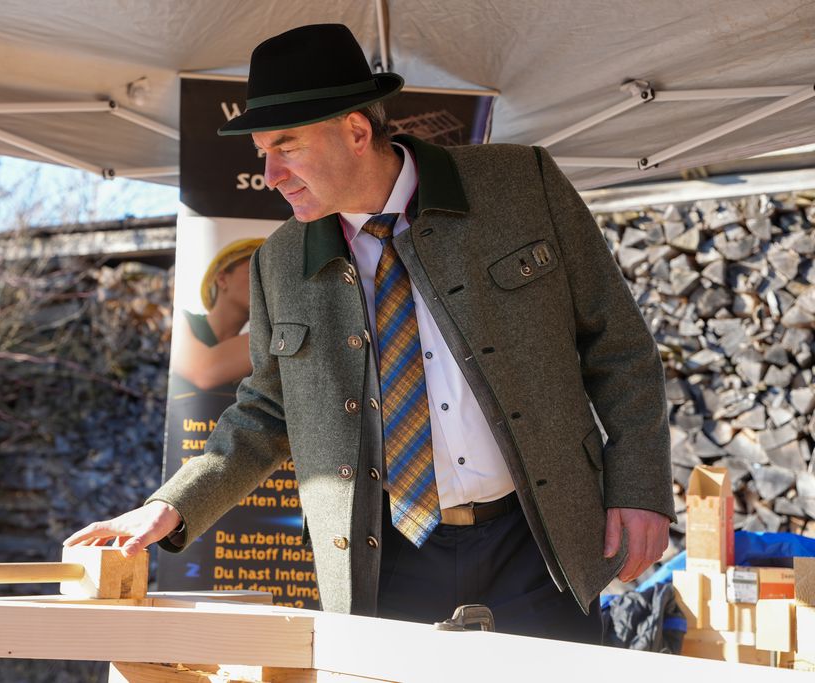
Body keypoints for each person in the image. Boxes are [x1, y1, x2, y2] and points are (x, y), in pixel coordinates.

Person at [65, 23, 674, 644]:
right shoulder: (277, 262)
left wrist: (641, 489)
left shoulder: (522, 185)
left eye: (287, 147)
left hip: (538, 537)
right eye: (263, 154)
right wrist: (172, 504)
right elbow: (267, 411)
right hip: (385, 556)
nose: (271, 173)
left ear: (356, 131)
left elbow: (618, 345)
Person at [169, 238, 264, 395]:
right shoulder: (180, 321)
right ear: (222, 279)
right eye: (254, 272)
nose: (264, 284)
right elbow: (203, 371)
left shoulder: (254, 356)